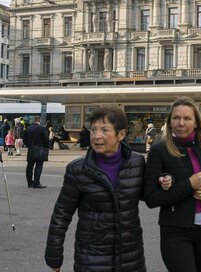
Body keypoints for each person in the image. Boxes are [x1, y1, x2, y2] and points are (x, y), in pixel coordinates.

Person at [45, 107, 148, 272]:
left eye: (104, 130)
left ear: (121, 134)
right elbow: (61, 214)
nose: (96, 136)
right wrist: (54, 256)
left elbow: (151, 196)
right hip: (91, 257)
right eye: (93, 130)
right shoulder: (78, 169)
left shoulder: (137, 163)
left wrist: (165, 179)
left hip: (130, 257)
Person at [144, 96, 201, 272]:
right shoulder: (159, 151)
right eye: (176, 118)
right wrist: (189, 184)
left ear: (196, 122)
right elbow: (151, 198)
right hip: (175, 231)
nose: (181, 123)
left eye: (187, 118)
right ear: (170, 121)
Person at [24, 116, 50, 188]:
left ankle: (29, 183)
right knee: (39, 166)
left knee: (29, 166)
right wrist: (47, 146)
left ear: (33, 120)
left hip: (31, 149)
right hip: (40, 149)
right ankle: (36, 183)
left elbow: (24, 140)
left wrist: (29, 145)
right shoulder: (41, 128)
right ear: (39, 120)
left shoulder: (28, 128)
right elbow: (46, 140)